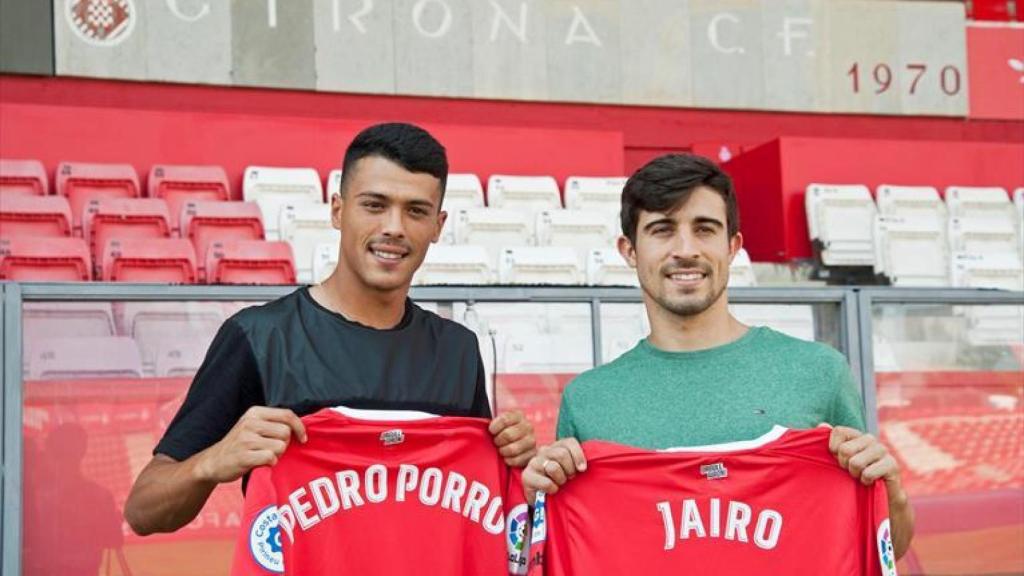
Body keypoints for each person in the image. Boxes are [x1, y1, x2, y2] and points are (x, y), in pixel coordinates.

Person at [125, 122, 536, 535]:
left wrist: (512, 455)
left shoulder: (457, 350)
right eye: (374, 205)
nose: (394, 227)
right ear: (338, 210)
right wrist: (211, 462)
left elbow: (484, 504)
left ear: (438, 225)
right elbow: (143, 511)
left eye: (415, 210)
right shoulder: (260, 337)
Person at [522, 153, 914, 558]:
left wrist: (893, 495)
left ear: (733, 246)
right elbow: (558, 552)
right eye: (662, 230)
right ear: (629, 251)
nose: (685, 249)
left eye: (704, 229)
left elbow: (883, 547)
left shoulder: (819, 372)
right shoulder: (588, 400)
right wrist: (535, 498)